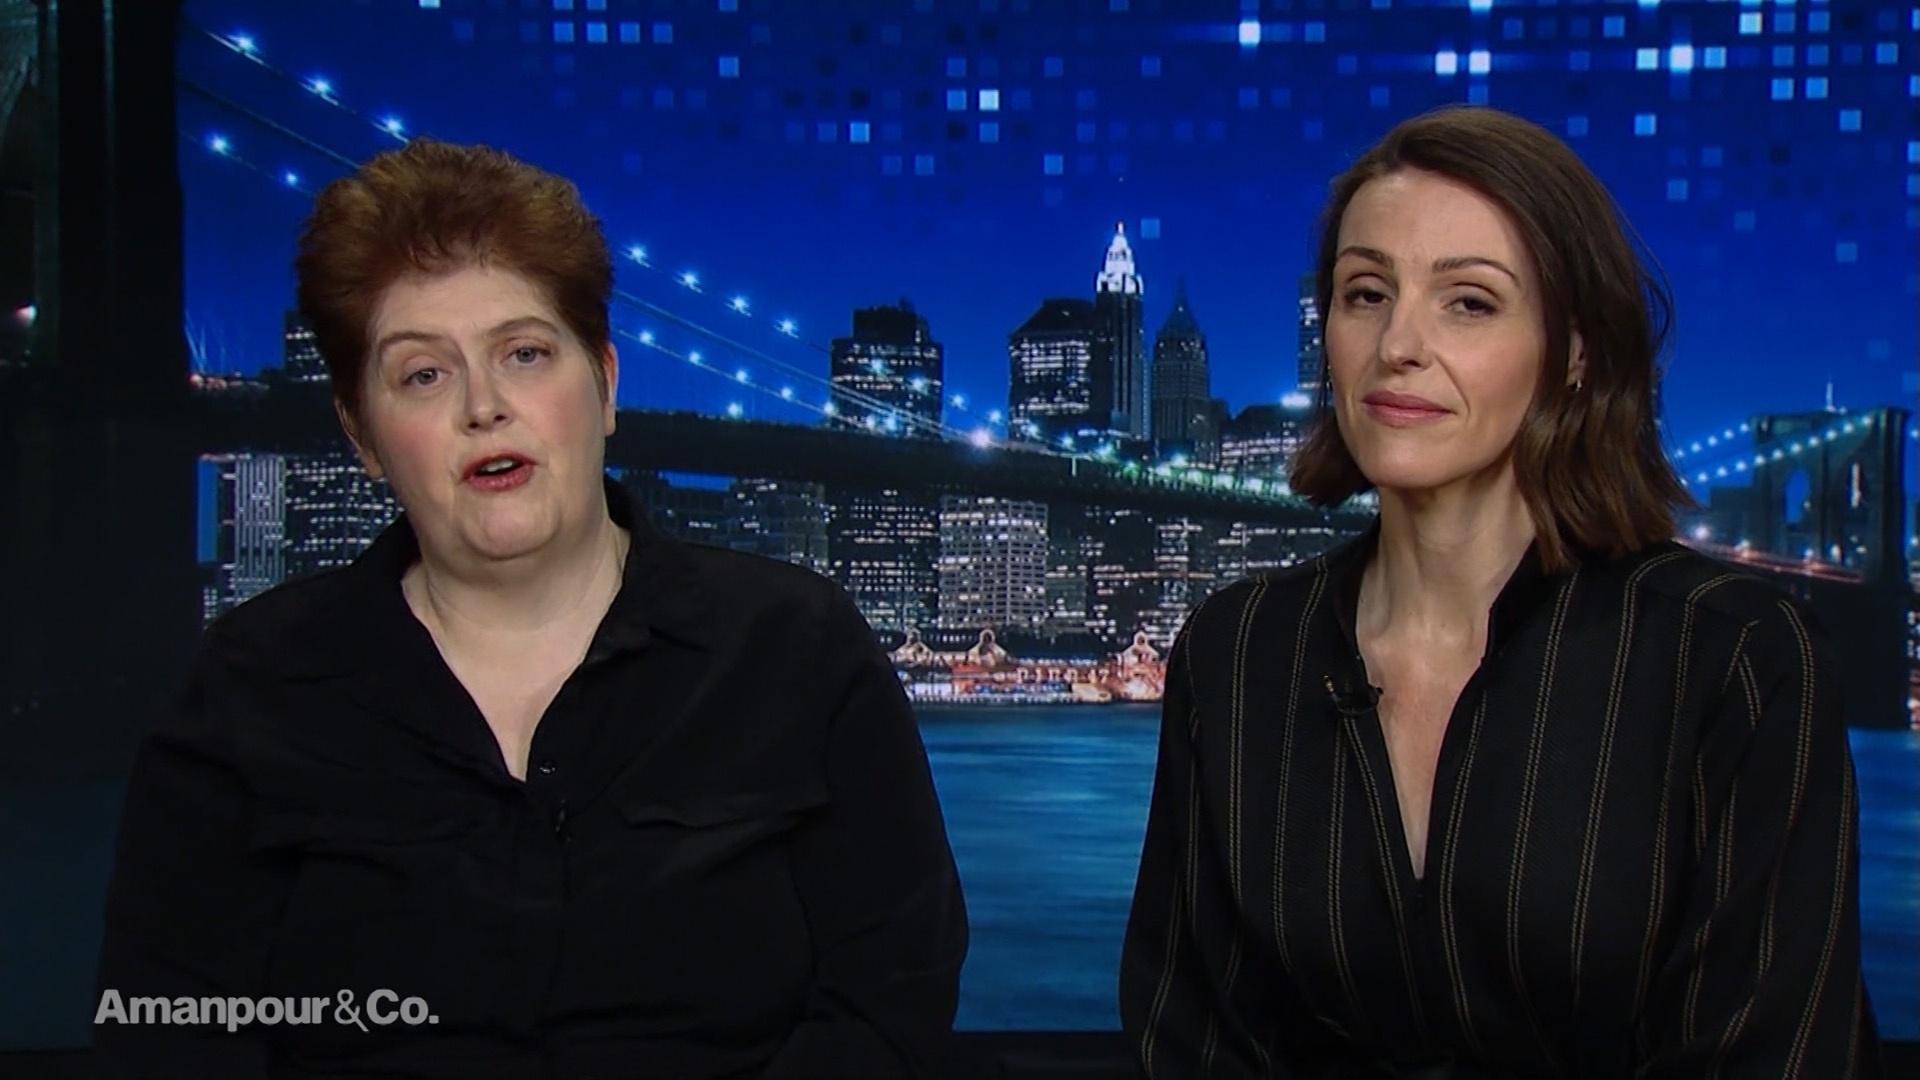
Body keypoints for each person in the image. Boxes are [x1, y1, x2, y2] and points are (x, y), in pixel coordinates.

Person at [96, 139, 968, 1078]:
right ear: (362, 434)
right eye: (423, 374)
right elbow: (166, 1030)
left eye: (524, 353)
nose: (484, 406)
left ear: (606, 384)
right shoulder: (251, 685)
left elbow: (890, 1005)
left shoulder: (798, 650)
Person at [1119, 107, 1881, 1077]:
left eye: (1469, 303)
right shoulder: (1237, 653)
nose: (1398, 343)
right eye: (1365, 293)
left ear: (1574, 351)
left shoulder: (1735, 658)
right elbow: (1189, 1043)